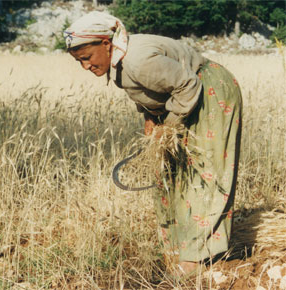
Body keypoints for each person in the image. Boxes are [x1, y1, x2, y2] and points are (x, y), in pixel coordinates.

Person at [64, 11, 242, 278]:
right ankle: (179, 250)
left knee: (204, 172)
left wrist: (167, 126)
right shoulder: (120, 60)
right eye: (79, 62)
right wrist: (151, 118)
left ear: (105, 43)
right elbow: (152, 90)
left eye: (86, 58)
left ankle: (197, 258)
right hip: (184, 101)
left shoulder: (138, 60)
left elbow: (188, 86)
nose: (85, 67)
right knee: (169, 174)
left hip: (208, 92)